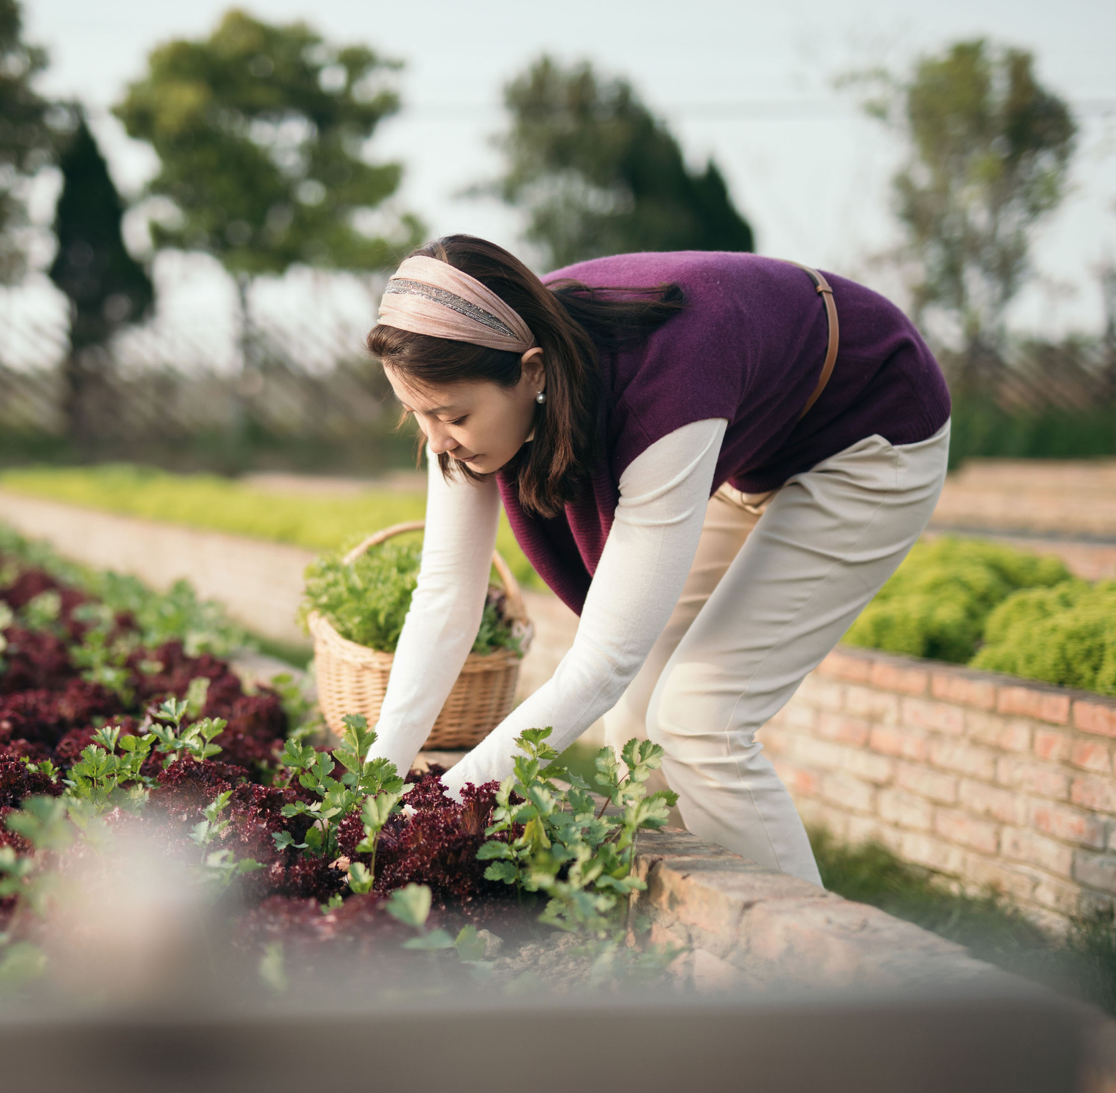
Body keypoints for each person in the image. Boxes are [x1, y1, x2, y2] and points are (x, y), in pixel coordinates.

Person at [364, 234, 951, 885]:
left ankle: (802, 967)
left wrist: (437, 811)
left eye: (451, 415)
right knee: (639, 720)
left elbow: (602, 661)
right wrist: (376, 795)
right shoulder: (476, 363)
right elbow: (447, 597)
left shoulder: (664, 387)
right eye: (417, 415)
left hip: (870, 431)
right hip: (749, 440)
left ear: (532, 371)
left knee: (701, 723)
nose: (436, 440)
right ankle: (692, 950)